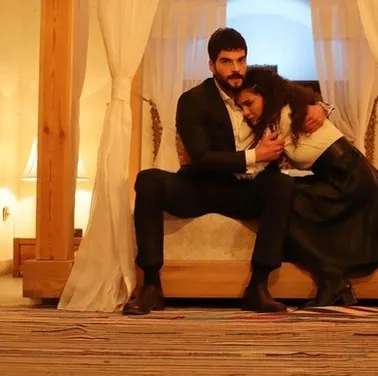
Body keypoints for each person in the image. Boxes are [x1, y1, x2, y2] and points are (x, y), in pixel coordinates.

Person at [123, 28, 332, 315]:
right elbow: (201, 157)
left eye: (241, 60)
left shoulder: (260, 88)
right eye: (226, 61)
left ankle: (258, 286)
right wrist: (256, 155)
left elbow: (297, 96)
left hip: (243, 191)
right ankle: (151, 286)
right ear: (212, 65)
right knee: (148, 180)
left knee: (282, 185)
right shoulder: (193, 99)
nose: (236, 69)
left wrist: (320, 107)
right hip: (200, 186)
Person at [235, 68, 378, 307]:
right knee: (283, 199)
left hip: (349, 178)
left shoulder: (284, 116)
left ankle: (333, 279)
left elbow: (257, 162)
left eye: (249, 104)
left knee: (282, 207)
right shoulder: (286, 111)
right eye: (241, 108)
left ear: (266, 95)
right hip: (340, 174)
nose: (246, 113)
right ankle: (333, 281)